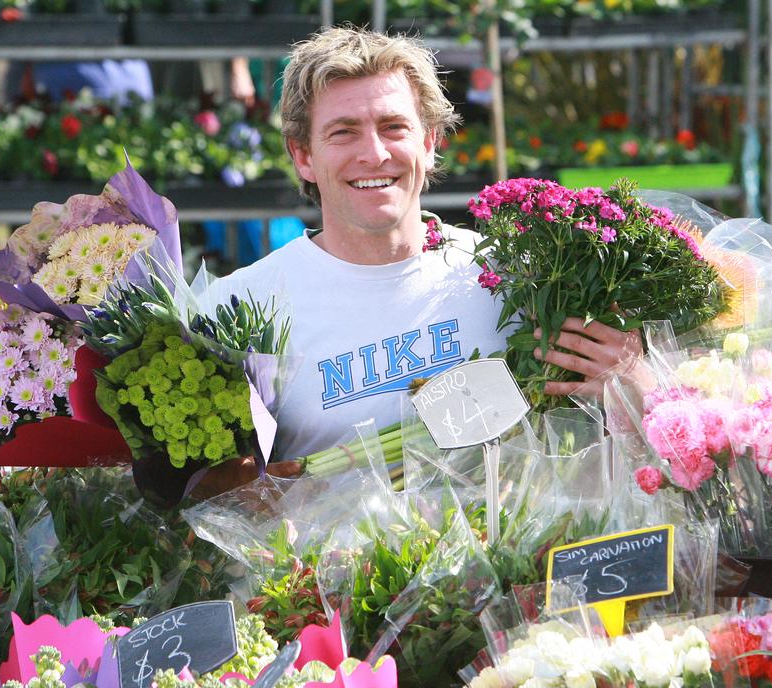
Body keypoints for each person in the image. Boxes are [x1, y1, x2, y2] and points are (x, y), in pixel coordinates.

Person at [203, 27, 642, 478]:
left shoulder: (517, 278)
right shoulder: (237, 310)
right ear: (303, 156)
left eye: (394, 127)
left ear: (430, 142)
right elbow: (209, 495)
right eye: (343, 133)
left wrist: (635, 382)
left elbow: (597, 436)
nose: (374, 155)